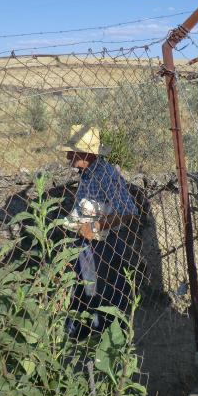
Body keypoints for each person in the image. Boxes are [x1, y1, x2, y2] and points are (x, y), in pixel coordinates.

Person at [59, 125, 138, 339]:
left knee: (99, 292)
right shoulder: (88, 173)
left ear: (87, 154)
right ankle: (85, 335)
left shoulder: (106, 175)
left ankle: (105, 337)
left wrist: (94, 227)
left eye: (72, 152)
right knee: (86, 289)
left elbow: (128, 211)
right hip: (89, 244)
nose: (68, 157)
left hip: (102, 245)